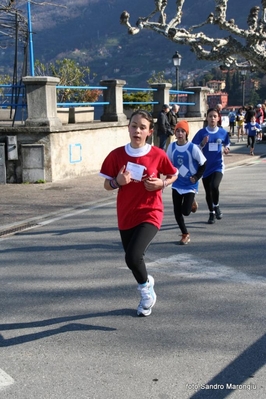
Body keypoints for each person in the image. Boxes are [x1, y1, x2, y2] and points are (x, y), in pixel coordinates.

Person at [99, 109, 178, 317]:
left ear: (149, 132)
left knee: (133, 257)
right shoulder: (117, 155)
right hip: (126, 214)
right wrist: (117, 182)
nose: (137, 130)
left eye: (142, 127)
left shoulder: (157, 154)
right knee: (132, 258)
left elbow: (173, 174)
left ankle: (146, 293)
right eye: (134, 125)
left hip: (150, 213)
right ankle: (147, 283)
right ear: (128, 128)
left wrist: (162, 183)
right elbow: (107, 185)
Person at [166, 120, 206, 245]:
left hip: (190, 184)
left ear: (186, 133)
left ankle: (192, 202)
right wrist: (167, 177)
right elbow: (168, 164)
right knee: (177, 211)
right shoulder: (171, 147)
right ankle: (185, 234)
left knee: (186, 212)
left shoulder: (192, 148)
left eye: (182, 131)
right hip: (177, 183)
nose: (179, 133)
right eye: (177, 131)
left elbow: (203, 163)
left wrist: (196, 176)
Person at [192, 108, 230, 224]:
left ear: (218, 118)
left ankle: (216, 206)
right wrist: (202, 144)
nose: (212, 118)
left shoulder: (222, 132)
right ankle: (211, 213)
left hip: (218, 165)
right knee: (208, 192)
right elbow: (194, 148)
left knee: (214, 186)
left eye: (214, 116)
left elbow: (227, 143)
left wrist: (227, 148)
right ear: (207, 118)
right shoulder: (202, 133)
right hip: (205, 166)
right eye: (210, 116)